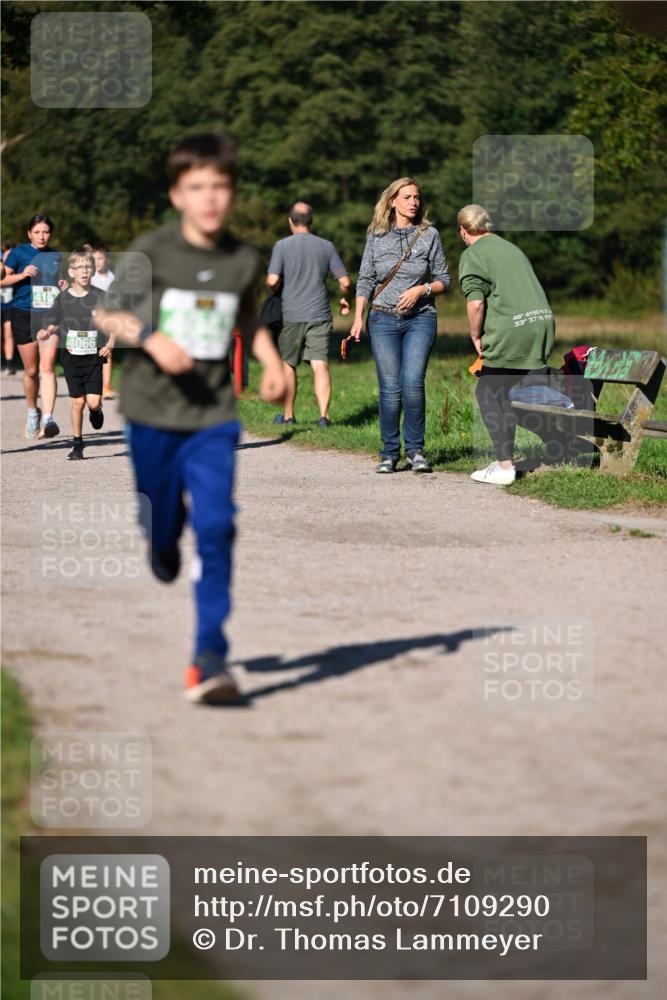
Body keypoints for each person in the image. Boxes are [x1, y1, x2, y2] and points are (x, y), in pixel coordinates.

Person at [94, 132, 286, 706]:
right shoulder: (152, 250)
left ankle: (209, 657)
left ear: (231, 193)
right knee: (161, 519)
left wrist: (271, 360)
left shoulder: (243, 258)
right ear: (178, 194)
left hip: (212, 415)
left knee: (218, 526)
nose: (210, 198)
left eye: (220, 187)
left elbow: (247, 317)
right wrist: (151, 340)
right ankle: (160, 540)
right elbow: (107, 314)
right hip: (151, 411)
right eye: (197, 187)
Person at [349, 177, 450, 473]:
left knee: (412, 383)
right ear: (392, 201)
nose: (413, 202)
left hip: (420, 318)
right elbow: (366, 279)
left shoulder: (429, 235)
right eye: (407, 197)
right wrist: (358, 317)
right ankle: (390, 452)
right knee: (390, 389)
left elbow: (444, 279)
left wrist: (422, 290)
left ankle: (416, 451)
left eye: (417, 197)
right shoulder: (376, 235)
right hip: (381, 318)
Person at [457, 204, 555, 485]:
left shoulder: (472, 254)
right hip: (542, 323)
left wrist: (475, 335)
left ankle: (504, 466)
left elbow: (476, 303)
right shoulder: (511, 248)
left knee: (487, 391)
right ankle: (518, 455)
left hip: (513, 329)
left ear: (463, 231)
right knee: (506, 392)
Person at [266, 202, 350, 427]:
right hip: (320, 313)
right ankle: (324, 416)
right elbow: (344, 281)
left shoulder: (281, 246)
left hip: (291, 314)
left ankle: (288, 415)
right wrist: (344, 298)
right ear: (310, 221)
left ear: (290, 221)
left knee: (288, 364)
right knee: (319, 364)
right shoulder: (327, 246)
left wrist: (279, 287)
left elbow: (272, 281)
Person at [36, 250, 110, 460]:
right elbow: (54, 321)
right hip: (71, 357)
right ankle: (77, 444)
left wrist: (110, 344)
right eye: (79, 268)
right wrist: (46, 331)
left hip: (94, 356)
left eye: (88, 267)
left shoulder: (100, 296)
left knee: (93, 402)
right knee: (77, 402)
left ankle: (96, 411)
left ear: (92, 271)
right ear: (71, 272)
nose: (84, 271)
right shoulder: (64, 298)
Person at [0, 215, 65, 439]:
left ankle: (48, 419)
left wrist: (63, 284)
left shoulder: (56, 256)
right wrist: (22, 274)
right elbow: (2, 280)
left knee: (47, 368)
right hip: (23, 313)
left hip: (49, 315)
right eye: (37, 232)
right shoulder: (18, 253)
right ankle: (32, 412)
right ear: (29, 233)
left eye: (46, 232)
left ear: (51, 234)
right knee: (31, 371)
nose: (42, 236)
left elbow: (61, 282)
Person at [90, 243, 116, 399]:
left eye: (100, 258)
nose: (97, 262)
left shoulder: (113, 278)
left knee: (107, 351)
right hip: (90, 318)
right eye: (94, 259)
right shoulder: (90, 276)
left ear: (107, 260)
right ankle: (90, 381)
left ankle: (107, 386)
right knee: (91, 350)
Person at [1, 241, 17, 374]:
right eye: (7, 256)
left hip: (10, 304)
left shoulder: (16, 270)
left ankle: (10, 363)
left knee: (8, 332)